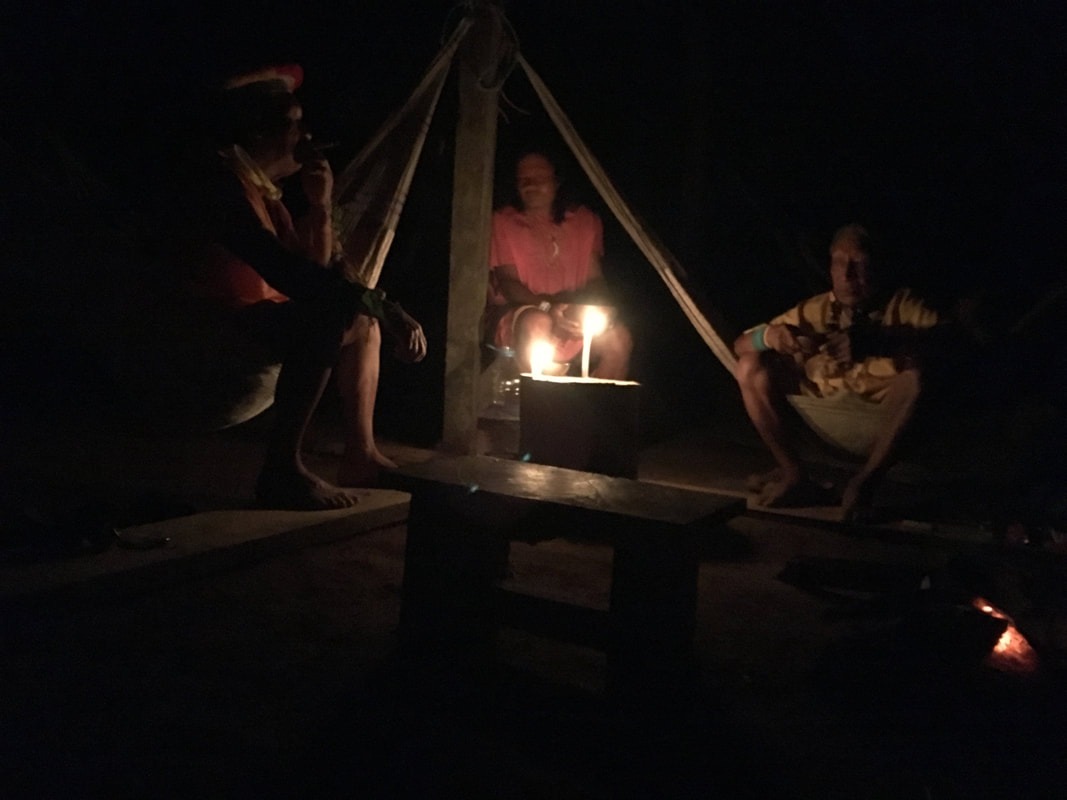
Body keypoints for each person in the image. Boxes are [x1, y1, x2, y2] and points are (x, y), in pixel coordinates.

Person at [172, 64, 426, 509]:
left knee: (358, 318)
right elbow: (291, 274)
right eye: (294, 123)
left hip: (256, 324)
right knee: (331, 314)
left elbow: (320, 270)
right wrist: (383, 305)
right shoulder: (222, 187)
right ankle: (281, 469)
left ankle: (361, 454)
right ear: (258, 131)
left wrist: (322, 207)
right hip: (208, 336)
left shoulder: (267, 196)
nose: (306, 136)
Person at [733, 223, 943, 522]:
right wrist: (770, 336)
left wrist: (876, 342)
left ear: (877, 265)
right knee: (749, 365)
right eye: (839, 262)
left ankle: (865, 482)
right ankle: (793, 474)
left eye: (858, 262)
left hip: (885, 416)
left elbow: (953, 344)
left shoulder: (905, 306)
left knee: (920, 377)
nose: (847, 275)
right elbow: (740, 344)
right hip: (822, 413)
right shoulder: (815, 310)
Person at [485, 149, 631, 378]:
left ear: (557, 181)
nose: (531, 186)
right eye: (524, 180)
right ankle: (540, 398)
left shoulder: (584, 221)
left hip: (570, 313)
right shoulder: (503, 222)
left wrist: (599, 306)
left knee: (618, 340)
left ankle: (598, 399)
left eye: (539, 178)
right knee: (537, 324)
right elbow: (508, 283)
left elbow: (594, 279)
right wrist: (547, 308)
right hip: (524, 314)